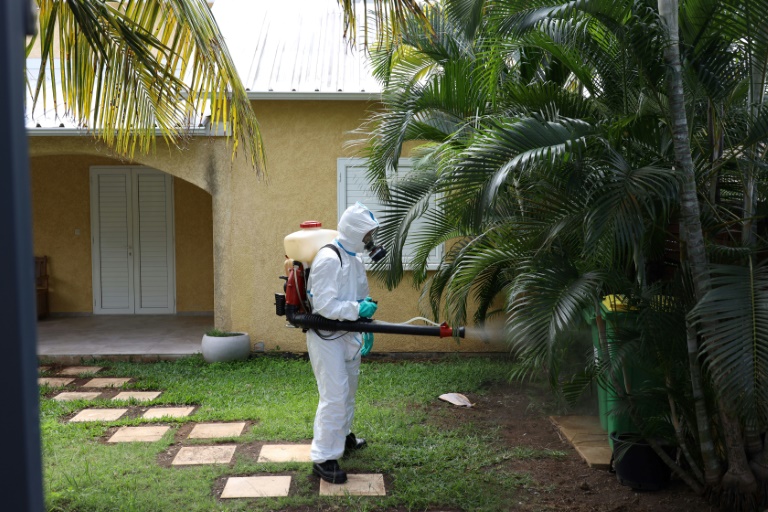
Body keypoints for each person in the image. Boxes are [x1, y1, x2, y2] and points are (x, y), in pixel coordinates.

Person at [305, 202, 380, 484]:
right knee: (334, 395)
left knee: (348, 391)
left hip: (348, 334)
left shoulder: (355, 259)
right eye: (368, 234)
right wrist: (356, 311)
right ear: (354, 232)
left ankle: (344, 436)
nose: (371, 240)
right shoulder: (329, 259)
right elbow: (324, 305)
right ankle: (324, 457)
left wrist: (365, 325)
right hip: (326, 337)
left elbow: (361, 297)